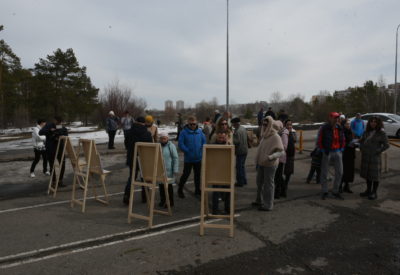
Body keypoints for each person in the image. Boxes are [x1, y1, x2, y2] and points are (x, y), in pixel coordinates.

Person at [253, 116, 285, 211]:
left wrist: (270, 157)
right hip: (261, 163)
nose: (264, 126)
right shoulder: (264, 136)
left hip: (270, 165)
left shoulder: (276, 136)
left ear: (270, 124)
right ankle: (259, 200)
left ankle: (268, 205)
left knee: (268, 185)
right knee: (259, 182)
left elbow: (281, 152)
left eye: (266, 124)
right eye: (263, 124)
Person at [123, 116, 153, 205]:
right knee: (145, 177)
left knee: (132, 177)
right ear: (144, 123)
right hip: (144, 158)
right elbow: (150, 147)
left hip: (132, 158)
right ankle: (145, 196)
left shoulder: (129, 132)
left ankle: (127, 196)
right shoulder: (147, 134)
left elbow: (126, 145)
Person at [359, 116, 389, 200]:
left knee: (375, 176)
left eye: (375, 122)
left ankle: (374, 192)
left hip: (375, 157)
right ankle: (368, 190)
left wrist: (377, 151)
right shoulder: (366, 132)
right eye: (371, 121)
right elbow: (361, 141)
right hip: (366, 156)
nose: (373, 123)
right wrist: (361, 147)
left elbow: (387, 145)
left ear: (378, 123)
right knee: (368, 175)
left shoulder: (381, 133)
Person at [318, 112, 345, 200]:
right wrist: (323, 150)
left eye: (337, 118)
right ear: (330, 118)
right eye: (334, 118)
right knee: (324, 172)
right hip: (327, 152)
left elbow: (343, 139)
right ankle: (325, 190)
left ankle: (335, 191)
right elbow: (320, 140)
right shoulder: (324, 128)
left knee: (340, 172)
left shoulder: (339, 128)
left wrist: (341, 149)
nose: (336, 119)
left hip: (337, 152)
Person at [177, 116, 206, 198]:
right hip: (188, 159)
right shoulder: (183, 132)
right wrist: (187, 150)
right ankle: (180, 189)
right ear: (188, 124)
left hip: (198, 158)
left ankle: (197, 190)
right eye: (191, 124)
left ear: (196, 123)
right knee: (185, 174)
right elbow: (180, 144)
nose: (192, 125)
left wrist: (201, 149)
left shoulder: (200, 132)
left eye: (194, 124)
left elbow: (204, 141)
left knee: (197, 175)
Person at [39, 116, 68, 186]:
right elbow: (40, 132)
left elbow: (65, 134)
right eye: (57, 122)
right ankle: (54, 182)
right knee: (52, 165)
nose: (58, 124)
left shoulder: (61, 126)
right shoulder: (49, 125)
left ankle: (60, 181)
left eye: (60, 123)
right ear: (54, 121)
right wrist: (50, 131)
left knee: (62, 164)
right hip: (51, 149)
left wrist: (59, 133)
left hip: (60, 148)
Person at [211, 131, 231, 214]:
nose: (221, 139)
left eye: (223, 137)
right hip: (216, 172)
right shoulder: (212, 146)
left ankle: (227, 208)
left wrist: (227, 144)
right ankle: (215, 210)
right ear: (216, 138)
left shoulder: (229, 146)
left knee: (227, 191)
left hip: (226, 171)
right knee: (216, 191)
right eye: (219, 137)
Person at [158, 131, 179, 208]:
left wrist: (175, 169)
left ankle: (170, 201)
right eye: (162, 138)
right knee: (161, 187)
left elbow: (175, 158)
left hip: (169, 170)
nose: (163, 140)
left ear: (167, 138)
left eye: (164, 138)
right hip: (160, 170)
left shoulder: (171, 146)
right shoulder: (158, 146)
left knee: (168, 187)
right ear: (160, 139)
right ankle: (163, 200)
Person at [340, 119, 356, 193]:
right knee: (343, 170)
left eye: (349, 124)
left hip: (351, 153)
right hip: (344, 154)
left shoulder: (351, 132)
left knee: (349, 171)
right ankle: (339, 186)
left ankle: (346, 186)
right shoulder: (341, 132)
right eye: (347, 124)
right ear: (343, 124)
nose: (348, 125)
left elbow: (353, 140)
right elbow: (340, 143)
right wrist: (347, 145)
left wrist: (355, 144)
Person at [231, 117, 248, 187]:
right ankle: (244, 180)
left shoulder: (237, 131)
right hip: (245, 149)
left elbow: (236, 142)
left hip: (240, 151)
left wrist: (231, 140)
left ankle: (240, 182)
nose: (232, 125)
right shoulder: (243, 128)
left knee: (239, 167)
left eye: (233, 124)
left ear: (235, 123)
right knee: (242, 166)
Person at [273, 120, 287, 199]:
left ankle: (278, 193)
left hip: (280, 157)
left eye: (276, 127)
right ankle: (283, 191)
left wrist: (275, 148)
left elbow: (284, 146)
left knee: (278, 176)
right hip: (277, 157)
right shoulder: (278, 134)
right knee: (278, 176)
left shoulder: (283, 134)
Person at [282, 120, 296, 197]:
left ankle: (285, 188)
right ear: (285, 125)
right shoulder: (284, 133)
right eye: (288, 125)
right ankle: (283, 188)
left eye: (290, 125)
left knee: (288, 173)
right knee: (283, 174)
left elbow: (294, 140)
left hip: (291, 156)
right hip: (284, 156)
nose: (289, 126)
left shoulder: (292, 133)